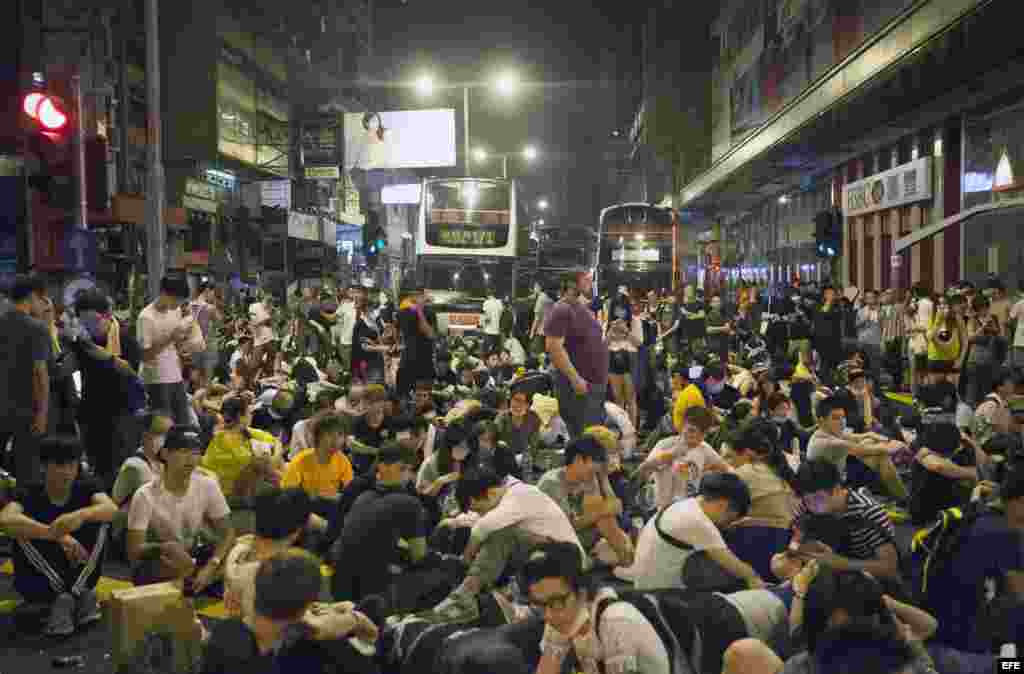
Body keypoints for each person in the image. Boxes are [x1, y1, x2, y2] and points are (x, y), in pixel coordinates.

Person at [421, 467, 583, 624]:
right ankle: (477, 590)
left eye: (479, 509)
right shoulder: (511, 498)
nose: (480, 514)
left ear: (490, 494)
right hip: (547, 558)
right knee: (505, 532)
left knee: (502, 533)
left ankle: (466, 593)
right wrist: (453, 522)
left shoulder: (520, 495)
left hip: (567, 564)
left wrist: (464, 560)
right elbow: (478, 521)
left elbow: (481, 528)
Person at [0, 436, 116, 636]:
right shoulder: (29, 491)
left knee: (100, 520)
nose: (67, 472)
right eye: (60, 465)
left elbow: (111, 510)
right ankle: (70, 597)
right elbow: (5, 520)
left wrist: (80, 516)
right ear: (44, 466)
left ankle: (73, 595)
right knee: (22, 528)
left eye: (72, 465)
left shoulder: (87, 487)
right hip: (38, 583)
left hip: (77, 570)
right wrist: (53, 534)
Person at [204, 551, 379, 674]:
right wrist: (354, 619)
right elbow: (371, 637)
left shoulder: (224, 631)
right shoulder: (311, 642)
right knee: (371, 608)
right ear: (305, 607)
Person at [126, 425, 235, 589]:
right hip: (163, 559)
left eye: (196, 452)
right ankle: (191, 583)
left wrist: (212, 565)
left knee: (241, 550)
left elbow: (227, 533)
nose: (191, 459)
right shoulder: (145, 494)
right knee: (171, 559)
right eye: (184, 451)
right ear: (165, 454)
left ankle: (200, 581)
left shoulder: (207, 485)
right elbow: (134, 550)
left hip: (193, 553)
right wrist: (164, 548)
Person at [629, 471, 761, 592]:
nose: (728, 523)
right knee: (733, 582)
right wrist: (755, 580)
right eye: (730, 518)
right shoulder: (699, 523)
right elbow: (737, 568)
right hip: (660, 593)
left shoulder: (687, 504)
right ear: (723, 505)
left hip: (644, 579)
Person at [330, 443, 426, 602]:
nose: (410, 476)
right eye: (406, 470)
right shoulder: (409, 503)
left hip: (338, 583)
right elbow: (419, 556)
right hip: (370, 593)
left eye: (411, 471)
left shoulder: (363, 495)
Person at [791, 459, 902, 589]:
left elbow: (889, 568)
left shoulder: (868, 513)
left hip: (867, 581)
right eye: (807, 500)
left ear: (837, 489)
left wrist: (841, 563)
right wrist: (795, 548)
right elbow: (796, 538)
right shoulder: (806, 505)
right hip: (823, 575)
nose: (814, 506)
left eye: (819, 498)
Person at [73, 290, 145, 488]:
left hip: (122, 413)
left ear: (107, 315)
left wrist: (94, 349)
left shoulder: (125, 339)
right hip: (92, 413)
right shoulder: (79, 343)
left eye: (94, 320)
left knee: (122, 466)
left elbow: (130, 370)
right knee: (98, 467)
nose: (90, 326)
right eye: (83, 321)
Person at [537, 436, 633, 567]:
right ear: (578, 460)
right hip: (556, 541)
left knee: (619, 535)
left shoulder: (586, 477)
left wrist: (604, 481)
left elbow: (613, 511)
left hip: (583, 539)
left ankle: (622, 557)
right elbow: (567, 526)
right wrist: (602, 511)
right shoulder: (552, 483)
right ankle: (616, 559)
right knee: (606, 520)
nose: (593, 474)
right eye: (592, 470)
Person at [545, 269, 609, 439]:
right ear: (572, 284)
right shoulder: (562, 310)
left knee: (592, 439)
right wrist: (575, 379)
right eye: (585, 279)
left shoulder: (582, 308)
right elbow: (554, 347)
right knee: (586, 441)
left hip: (593, 386)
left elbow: (591, 343)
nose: (590, 282)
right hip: (579, 389)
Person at [0, 274, 51, 483]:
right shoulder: (37, 328)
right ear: (31, 297)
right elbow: (40, 373)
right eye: (42, 300)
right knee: (26, 470)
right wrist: (42, 412)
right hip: (26, 410)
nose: (44, 305)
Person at [637, 406, 731, 509]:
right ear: (682, 426)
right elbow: (642, 470)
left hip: (688, 507)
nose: (696, 437)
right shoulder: (666, 444)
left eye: (702, 433)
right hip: (663, 509)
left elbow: (726, 468)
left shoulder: (704, 448)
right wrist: (670, 455)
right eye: (691, 430)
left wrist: (709, 471)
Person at [138, 276, 193, 425]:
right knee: (163, 427)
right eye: (175, 300)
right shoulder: (146, 317)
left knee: (183, 423)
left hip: (175, 375)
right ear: (163, 293)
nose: (177, 305)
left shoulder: (174, 311)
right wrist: (171, 338)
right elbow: (145, 355)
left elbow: (175, 342)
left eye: (180, 301)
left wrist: (182, 345)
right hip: (156, 379)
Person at [282, 412, 354, 517]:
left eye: (340, 434)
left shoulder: (343, 460)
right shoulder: (301, 460)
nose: (335, 440)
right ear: (318, 435)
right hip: (306, 509)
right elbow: (288, 493)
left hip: (331, 508)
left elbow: (351, 491)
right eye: (329, 434)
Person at [396, 286, 436, 398]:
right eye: (417, 296)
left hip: (424, 359)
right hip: (408, 359)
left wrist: (419, 311)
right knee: (403, 396)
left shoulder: (429, 312)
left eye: (422, 296)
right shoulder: (403, 312)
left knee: (424, 396)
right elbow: (395, 332)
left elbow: (430, 334)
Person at [482, 291, 504, 356]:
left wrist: (483, 325)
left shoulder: (486, 303)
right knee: (496, 352)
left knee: (488, 353)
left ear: (487, 295)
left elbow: (487, 318)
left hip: (489, 331)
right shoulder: (499, 302)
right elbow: (501, 314)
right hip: (497, 331)